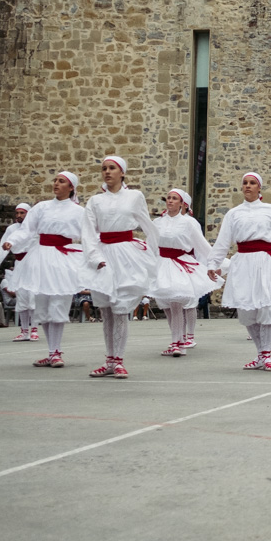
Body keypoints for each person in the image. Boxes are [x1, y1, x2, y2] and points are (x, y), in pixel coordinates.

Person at [206, 172, 271, 372]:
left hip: (264, 263)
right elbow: (222, 241)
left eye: (252, 183)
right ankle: (260, 353)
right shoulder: (234, 213)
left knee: (266, 307)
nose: (247, 186)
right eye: (245, 183)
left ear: (259, 187)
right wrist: (213, 264)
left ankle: (266, 354)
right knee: (246, 310)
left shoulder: (269, 210)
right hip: (243, 263)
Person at [82, 156, 159, 379]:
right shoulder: (95, 201)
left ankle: (119, 360)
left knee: (121, 307)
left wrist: (152, 254)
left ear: (122, 172)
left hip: (126, 254)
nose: (107, 172)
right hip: (104, 254)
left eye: (112, 168)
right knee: (106, 309)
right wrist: (95, 257)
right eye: (104, 168)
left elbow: (148, 226)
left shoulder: (135, 196)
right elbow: (87, 232)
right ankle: (109, 359)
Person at [7, 171, 87, 368]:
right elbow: (27, 230)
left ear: (71, 188)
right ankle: (51, 352)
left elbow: (89, 235)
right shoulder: (41, 207)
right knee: (42, 304)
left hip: (63, 258)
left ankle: (57, 351)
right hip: (41, 257)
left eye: (62, 182)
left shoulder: (79, 211)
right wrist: (11, 240)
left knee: (58, 302)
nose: (56, 184)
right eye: (56, 180)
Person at [152, 188, 215, 357]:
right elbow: (150, 244)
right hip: (161, 264)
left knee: (176, 301)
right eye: (169, 198)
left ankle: (177, 342)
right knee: (165, 305)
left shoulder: (188, 223)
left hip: (179, 264)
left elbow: (201, 244)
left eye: (174, 199)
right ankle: (177, 339)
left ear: (182, 204)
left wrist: (214, 262)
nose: (170, 201)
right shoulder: (158, 223)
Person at [0, 202, 30, 330]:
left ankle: (34, 328)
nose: (19, 215)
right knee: (21, 295)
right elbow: (3, 247)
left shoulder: (35, 227)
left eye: (22, 213)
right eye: (17, 213)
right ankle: (24, 329)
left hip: (33, 263)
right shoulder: (11, 229)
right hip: (20, 264)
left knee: (32, 296)